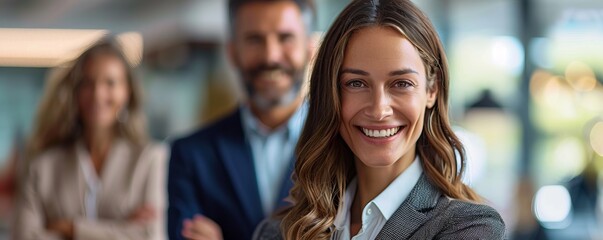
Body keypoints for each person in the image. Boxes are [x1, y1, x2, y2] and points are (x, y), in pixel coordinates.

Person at [253, 0, 506, 239]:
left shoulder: (469, 227)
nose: (378, 109)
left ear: (432, 90)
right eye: (356, 83)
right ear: (330, 94)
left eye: (401, 83)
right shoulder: (277, 232)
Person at [167, 0, 315, 239]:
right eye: (255, 39)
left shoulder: (343, 143)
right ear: (232, 52)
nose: (271, 56)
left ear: (310, 48)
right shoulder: (191, 154)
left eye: (285, 37)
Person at [14, 39, 167, 240]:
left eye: (110, 83)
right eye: (87, 83)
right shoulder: (43, 166)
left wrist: (71, 229)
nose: (97, 93)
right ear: (75, 92)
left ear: (127, 92)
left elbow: (151, 236)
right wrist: (123, 230)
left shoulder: (150, 160)